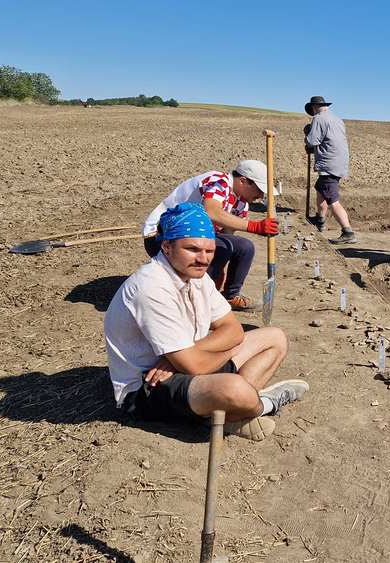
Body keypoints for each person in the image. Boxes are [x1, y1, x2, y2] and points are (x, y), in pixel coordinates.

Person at [107, 202, 308, 441]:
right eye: (192, 249)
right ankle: (262, 404)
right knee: (234, 388)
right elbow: (196, 366)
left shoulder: (196, 275)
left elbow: (232, 330)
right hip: (147, 386)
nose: (203, 259)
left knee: (275, 337)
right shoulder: (151, 287)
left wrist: (180, 357)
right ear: (167, 247)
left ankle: (229, 413)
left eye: (209, 251)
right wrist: (224, 349)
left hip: (183, 363)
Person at [141, 160, 279, 311]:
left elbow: (227, 236)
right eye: (259, 189)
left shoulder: (241, 204)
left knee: (244, 247)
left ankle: (230, 296)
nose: (260, 195)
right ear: (243, 181)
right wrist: (255, 226)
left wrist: (220, 267)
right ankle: (196, 299)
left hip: (195, 240)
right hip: (162, 237)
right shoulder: (218, 181)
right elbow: (212, 212)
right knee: (220, 248)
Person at [303, 95, 358, 244]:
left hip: (329, 164)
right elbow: (330, 141)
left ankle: (348, 232)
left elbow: (312, 141)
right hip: (339, 162)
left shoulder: (318, 119)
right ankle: (320, 220)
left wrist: (307, 135)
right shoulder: (338, 120)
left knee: (332, 200)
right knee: (320, 189)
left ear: (314, 108)